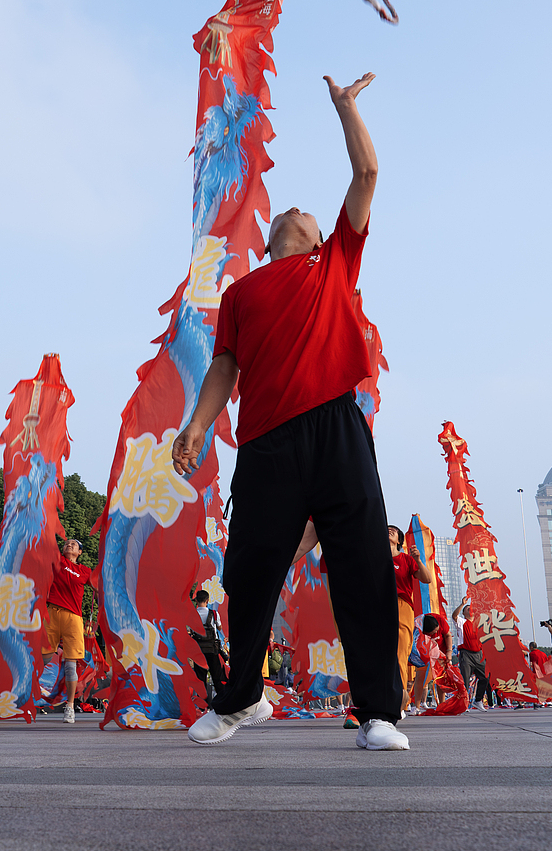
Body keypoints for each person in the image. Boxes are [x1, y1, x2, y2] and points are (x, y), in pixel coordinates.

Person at [171, 73, 410, 752]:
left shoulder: (335, 260)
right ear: (273, 238)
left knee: (362, 565)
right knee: (248, 571)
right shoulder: (242, 293)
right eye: (288, 213)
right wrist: (195, 425)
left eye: (304, 214)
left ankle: (378, 714)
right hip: (267, 443)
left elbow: (366, 169)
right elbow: (225, 369)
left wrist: (347, 108)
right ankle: (243, 697)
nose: (295, 212)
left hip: (338, 427)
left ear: (312, 238)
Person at [43, 536, 91, 722]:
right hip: (52, 613)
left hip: (74, 618)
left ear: (79, 552)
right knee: (43, 658)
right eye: (66, 543)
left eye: (74, 545)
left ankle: (69, 707)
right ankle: (26, 696)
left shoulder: (85, 571)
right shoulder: (58, 560)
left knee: (71, 666)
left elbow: (101, 586)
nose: (68, 545)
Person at [390, 526, 435, 709]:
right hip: (378, 608)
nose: (389, 531)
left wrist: (417, 559)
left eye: (393, 530)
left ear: (400, 541)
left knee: (400, 655)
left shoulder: (406, 559)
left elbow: (427, 579)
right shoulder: (374, 557)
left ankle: (399, 703)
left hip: (402, 607)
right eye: (386, 529)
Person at [191, 588, 228, 703]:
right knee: (217, 677)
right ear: (207, 601)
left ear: (196, 600)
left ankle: (203, 705)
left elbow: (190, 629)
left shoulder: (193, 614)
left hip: (198, 651)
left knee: (201, 678)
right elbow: (219, 628)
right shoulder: (214, 614)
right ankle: (222, 702)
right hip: (212, 649)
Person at [454, 603, 494, 708]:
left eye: (471, 609)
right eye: (467, 609)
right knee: (465, 680)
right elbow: (454, 616)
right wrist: (462, 604)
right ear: (463, 613)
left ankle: (478, 700)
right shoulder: (461, 622)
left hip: (479, 654)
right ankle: (464, 704)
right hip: (466, 654)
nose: (470, 610)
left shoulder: (479, 624)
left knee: (485, 678)